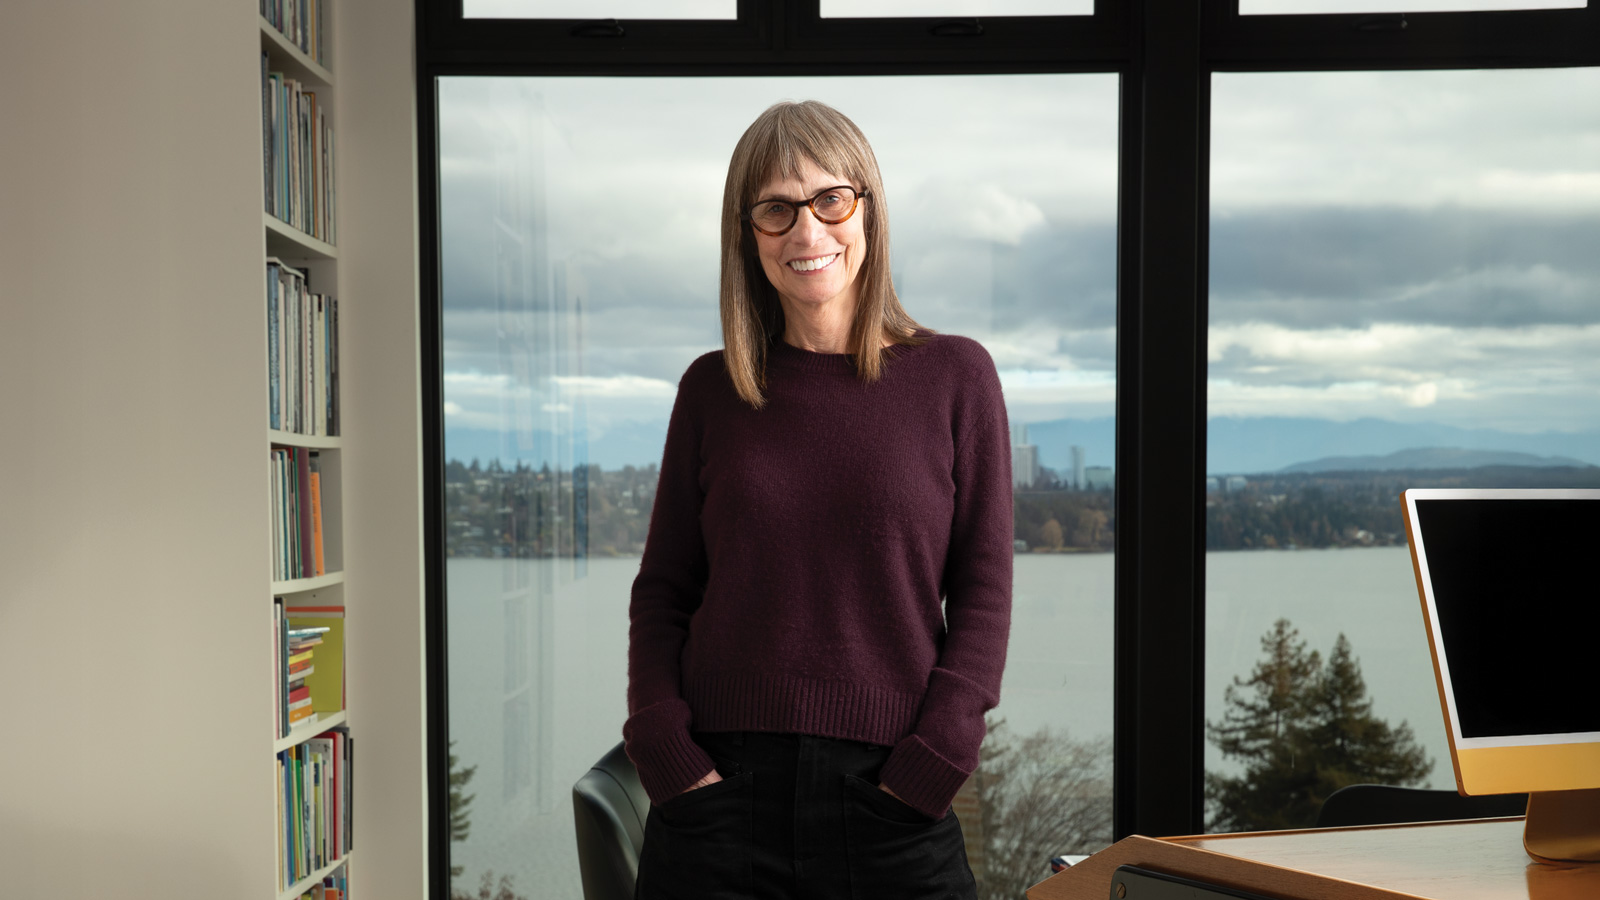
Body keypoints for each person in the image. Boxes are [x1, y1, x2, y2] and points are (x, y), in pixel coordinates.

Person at [623, 99, 1013, 900]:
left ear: (868, 207)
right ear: (748, 234)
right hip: (717, 803)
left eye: (830, 200)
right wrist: (665, 746)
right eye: (776, 209)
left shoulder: (955, 378)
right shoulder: (712, 389)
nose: (807, 232)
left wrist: (934, 760)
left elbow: (983, 592)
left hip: (892, 802)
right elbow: (663, 590)